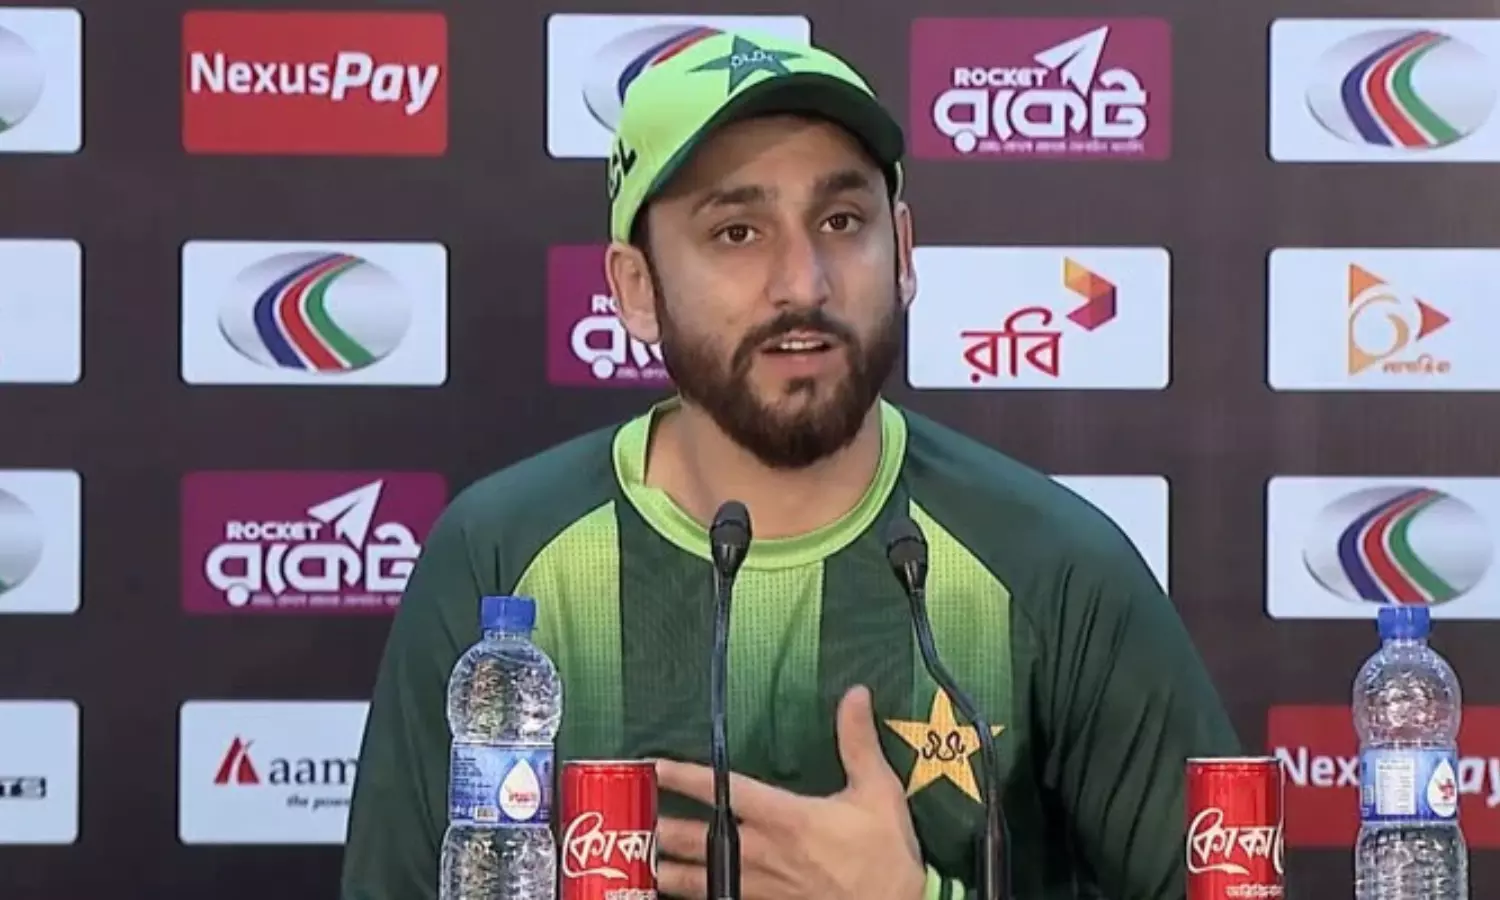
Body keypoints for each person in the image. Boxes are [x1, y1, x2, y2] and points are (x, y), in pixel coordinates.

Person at [341, 30, 1241, 900]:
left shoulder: (1051, 567)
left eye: (841, 222)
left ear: (904, 253)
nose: (804, 282)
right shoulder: (503, 557)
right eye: (737, 232)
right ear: (636, 289)